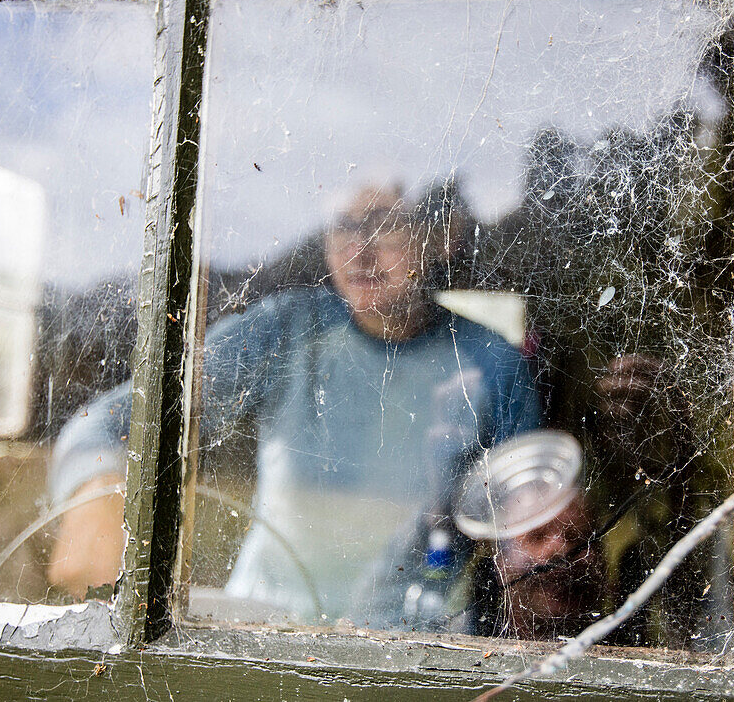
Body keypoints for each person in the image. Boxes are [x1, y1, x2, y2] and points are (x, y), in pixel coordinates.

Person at [47, 180, 541, 628]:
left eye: (385, 226)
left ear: (442, 238)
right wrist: (101, 488)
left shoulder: (492, 362)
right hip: (260, 631)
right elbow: (107, 425)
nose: (360, 251)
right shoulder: (285, 330)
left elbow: (530, 521)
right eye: (343, 227)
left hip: (418, 646)